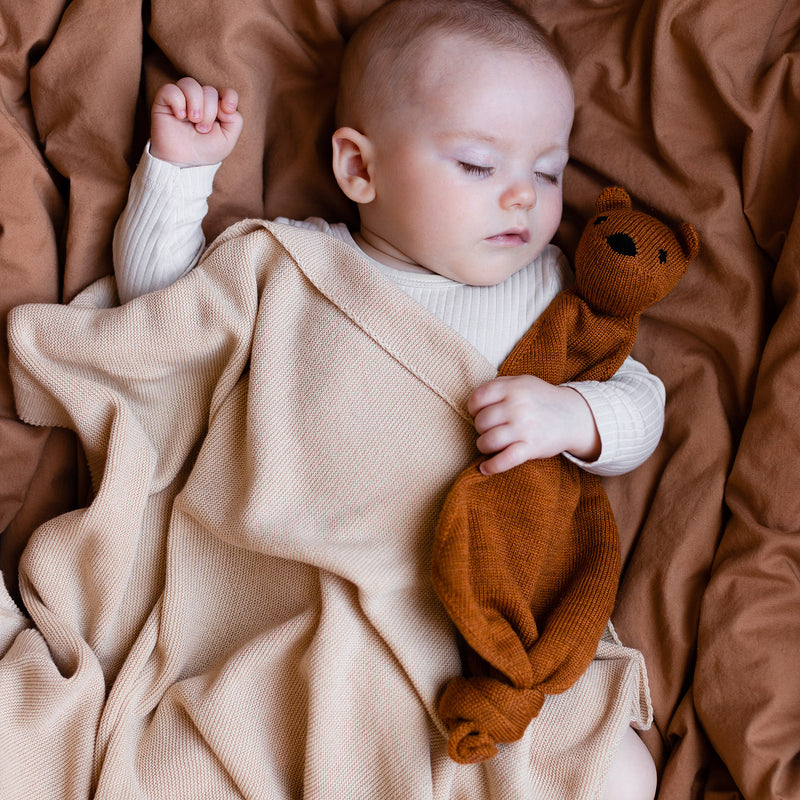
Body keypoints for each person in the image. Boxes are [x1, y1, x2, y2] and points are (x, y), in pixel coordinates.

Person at [113, 0, 659, 796]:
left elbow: (642, 405)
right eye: (478, 165)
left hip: (473, 631)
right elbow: (163, 320)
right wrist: (177, 174)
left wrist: (572, 415)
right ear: (359, 169)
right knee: (211, 748)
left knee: (619, 771)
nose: (523, 197)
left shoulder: (554, 303)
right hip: (300, 595)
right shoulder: (299, 268)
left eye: (547, 171)